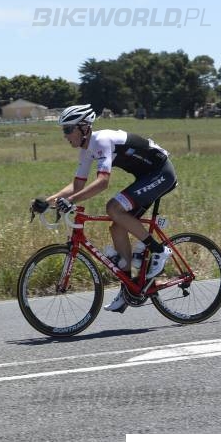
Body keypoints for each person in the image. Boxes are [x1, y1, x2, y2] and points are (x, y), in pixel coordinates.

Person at [31, 104, 177, 313]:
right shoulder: (86, 150)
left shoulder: (101, 141)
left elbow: (102, 182)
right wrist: (49, 201)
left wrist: (71, 201)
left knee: (113, 208)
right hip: (146, 177)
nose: (65, 136)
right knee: (117, 228)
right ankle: (129, 288)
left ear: (83, 128)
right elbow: (77, 186)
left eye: (67, 129)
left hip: (161, 173)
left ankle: (159, 251)